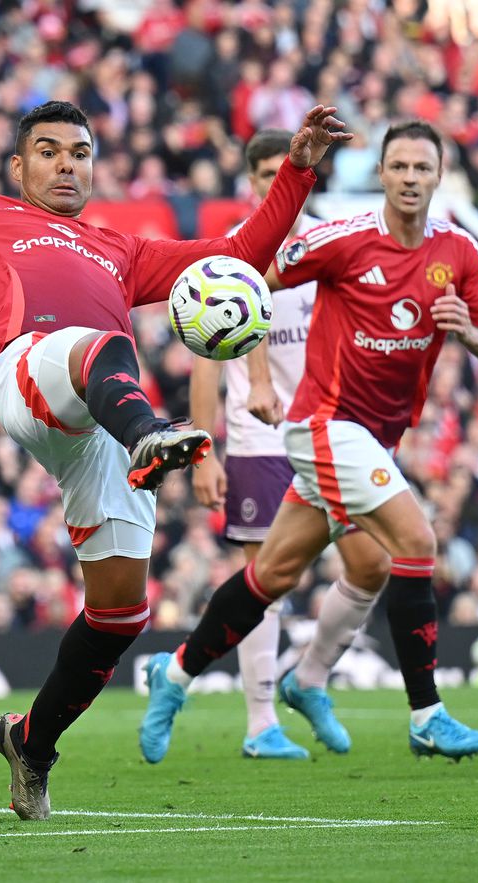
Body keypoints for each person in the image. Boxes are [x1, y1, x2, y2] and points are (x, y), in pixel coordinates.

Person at [0, 67, 351, 818]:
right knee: (97, 347)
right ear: (19, 166)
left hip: (102, 416)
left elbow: (235, 255)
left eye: (80, 152)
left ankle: (30, 742)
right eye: (49, 150)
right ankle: (152, 435)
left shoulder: (118, 249)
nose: (67, 163)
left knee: (120, 613)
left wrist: (296, 170)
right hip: (36, 374)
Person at [139, 120, 478, 762]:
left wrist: (471, 334)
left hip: (376, 438)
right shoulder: (341, 241)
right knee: (416, 542)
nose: (408, 178)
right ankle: (427, 713)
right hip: (323, 424)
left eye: (420, 168)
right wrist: (218, 321)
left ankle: (176, 676)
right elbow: (251, 277)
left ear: (438, 175)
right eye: (397, 166)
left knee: (274, 574)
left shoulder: (458, 253)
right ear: (381, 173)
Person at [141, 129, 392, 763]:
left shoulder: (327, 249)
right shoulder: (231, 259)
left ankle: (307, 679)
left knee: (370, 563)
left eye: (285, 171)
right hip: (259, 439)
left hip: (329, 431)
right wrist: (204, 451)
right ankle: (259, 724)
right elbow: (204, 359)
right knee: (267, 580)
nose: (272, 182)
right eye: (263, 174)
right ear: (250, 180)